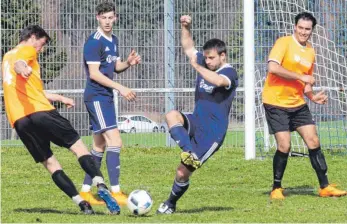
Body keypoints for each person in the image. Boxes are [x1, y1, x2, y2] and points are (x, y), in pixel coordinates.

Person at [2, 25, 121, 215]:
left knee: (50, 164)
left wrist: (59, 97)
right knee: (78, 148)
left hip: (20, 121)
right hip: (41, 112)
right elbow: (21, 63)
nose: (41, 49)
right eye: (41, 44)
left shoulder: (6, 57)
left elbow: (29, 90)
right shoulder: (26, 50)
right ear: (33, 37)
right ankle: (100, 184)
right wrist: (22, 67)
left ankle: (82, 204)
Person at [156, 15, 238, 214]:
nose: (208, 61)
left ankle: (171, 204)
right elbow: (188, 47)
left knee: (182, 172)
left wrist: (198, 66)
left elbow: (218, 81)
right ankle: (187, 150)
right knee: (172, 115)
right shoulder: (204, 63)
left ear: (222, 56)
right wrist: (186, 27)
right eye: (206, 57)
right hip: (196, 120)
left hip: (212, 133)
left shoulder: (230, 73)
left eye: (212, 58)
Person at [262, 12, 347, 199]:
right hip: (275, 102)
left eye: (307, 29)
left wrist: (312, 96)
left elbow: (306, 80)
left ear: (312, 31)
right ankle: (276, 188)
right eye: (300, 28)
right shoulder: (283, 43)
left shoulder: (310, 51)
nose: (303, 32)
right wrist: (301, 77)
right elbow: (273, 67)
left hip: (297, 103)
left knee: (314, 141)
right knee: (284, 145)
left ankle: (325, 187)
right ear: (295, 27)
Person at [79, 1, 141, 206]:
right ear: (97, 18)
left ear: (115, 17)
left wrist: (127, 64)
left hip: (104, 97)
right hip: (96, 96)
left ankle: (86, 191)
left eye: (110, 17)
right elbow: (95, 74)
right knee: (116, 142)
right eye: (103, 17)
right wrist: (120, 88)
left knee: (98, 146)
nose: (107, 21)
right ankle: (115, 192)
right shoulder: (94, 42)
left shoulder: (113, 39)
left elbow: (113, 66)